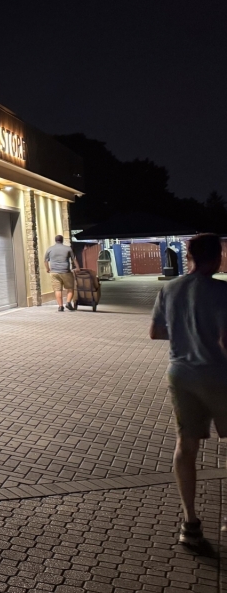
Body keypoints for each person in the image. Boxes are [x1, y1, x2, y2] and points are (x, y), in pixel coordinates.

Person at [150, 233, 227, 549]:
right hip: (218, 376)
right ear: (216, 257)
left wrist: (185, 330)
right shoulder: (222, 291)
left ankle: (190, 523)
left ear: (190, 256)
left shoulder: (169, 288)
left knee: (186, 445)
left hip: (180, 375)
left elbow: (155, 332)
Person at [44, 234, 78, 311]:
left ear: (55, 240)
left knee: (57, 289)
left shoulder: (50, 249)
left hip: (54, 273)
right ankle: (68, 302)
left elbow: (45, 260)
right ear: (62, 240)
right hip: (66, 272)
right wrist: (78, 268)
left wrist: (47, 269)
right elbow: (74, 259)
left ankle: (60, 306)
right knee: (70, 288)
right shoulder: (68, 248)